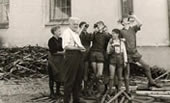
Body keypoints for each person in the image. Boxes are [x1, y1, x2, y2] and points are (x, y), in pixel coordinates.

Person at [119, 13, 161, 88]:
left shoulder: (132, 29)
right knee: (127, 73)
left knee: (146, 66)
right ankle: (127, 89)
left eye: (127, 19)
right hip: (127, 55)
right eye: (125, 19)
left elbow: (140, 23)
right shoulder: (121, 32)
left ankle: (151, 81)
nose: (127, 20)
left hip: (135, 53)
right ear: (123, 23)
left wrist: (134, 17)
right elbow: (118, 41)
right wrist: (121, 40)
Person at [62, 17, 86, 103]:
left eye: (77, 24)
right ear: (69, 24)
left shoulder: (75, 33)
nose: (76, 26)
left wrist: (80, 49)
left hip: (78, 56)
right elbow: (66, 46)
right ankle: (66, 101)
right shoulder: (66, 32)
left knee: (78, 79)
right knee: (70, 80)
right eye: (74, 24)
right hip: (71, 56)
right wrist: (78, 48)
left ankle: (76, 100)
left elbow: (77, 39)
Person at [89, 21, 111, 99]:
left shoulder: (105, 34)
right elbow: (90, 39)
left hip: (101, 54)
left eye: (100, 25)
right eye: (97, 25)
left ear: (103, 26)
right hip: (93, 53)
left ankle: (91, 86)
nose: (99, 27)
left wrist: (106, 31)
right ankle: (97, 90)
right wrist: (94, 31)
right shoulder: (95, 33)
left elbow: (110, 39)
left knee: (99, 74)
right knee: (96, 74)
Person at [107, 29, 129, 94]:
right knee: (111, 77)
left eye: (114, 33)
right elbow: (108, 51)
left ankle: (119, 91)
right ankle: (110, 91)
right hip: (112, 60)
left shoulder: (121, 42)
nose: (112, 35)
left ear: (117, 34)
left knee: (120, 77)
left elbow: (124, 52)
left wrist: (125, 61)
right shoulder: (110, 42)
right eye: (112, 33)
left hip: (120, 60)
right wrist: (111, 47)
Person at [47, 25, 64, 98]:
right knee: (52, 76)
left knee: (59, 75)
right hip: (53, 60)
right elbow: (53, 51)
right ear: (54, 32)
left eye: (60, 31)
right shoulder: (51, 40)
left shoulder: (61, 39)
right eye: (59, 31)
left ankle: (58, 91)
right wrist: (62, 53)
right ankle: (52, 92)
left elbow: (63, 47)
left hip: (60, 60)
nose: (60, 32)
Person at [79, 21, 91, 95]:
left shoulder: (89, 35)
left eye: (86, 27)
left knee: (86, 72)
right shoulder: (78, 34)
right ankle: (79, 89)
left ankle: (86, 89)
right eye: (84, 27)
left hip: (87, 55)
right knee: (80, 72)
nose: (85, 28)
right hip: (80, 55)